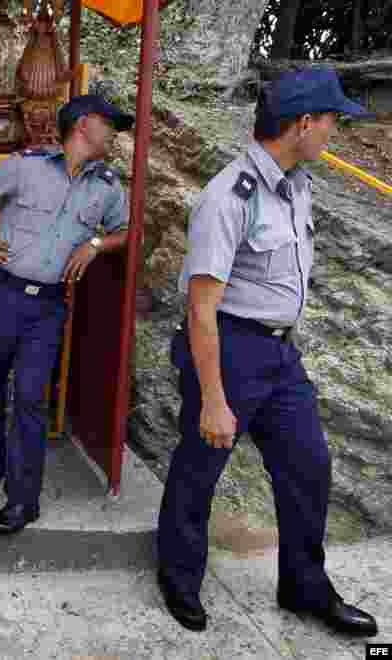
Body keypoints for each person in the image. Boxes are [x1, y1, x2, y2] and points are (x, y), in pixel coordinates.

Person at [156, 69, 378, 636]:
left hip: (280, 356)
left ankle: (305, 588)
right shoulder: (229, 196)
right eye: (330, 120)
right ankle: (179, 579)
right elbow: (201, 309)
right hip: (229, 349)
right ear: (303, 123)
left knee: (309, 466)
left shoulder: (297, 183)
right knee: (199, 466)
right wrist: (213, 399)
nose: (333, 131)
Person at [0, 95, 132, 534]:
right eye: (109, 125)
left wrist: (93, 245)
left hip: (48, 306)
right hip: (1, 293)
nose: (114, 134)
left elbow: (126, 232)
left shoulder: (107, 186)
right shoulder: (26, 167)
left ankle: (23, 500)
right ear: (84, 125)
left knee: (31, 397)